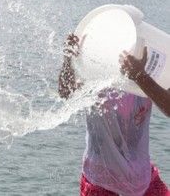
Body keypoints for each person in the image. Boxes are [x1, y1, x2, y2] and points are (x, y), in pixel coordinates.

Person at [59, 34, 169, 196]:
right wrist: (68, 60)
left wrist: (140, 76)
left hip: (142, 179)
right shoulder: (97, 78)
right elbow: (66, 91)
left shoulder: (144, 73)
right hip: (102, 182)